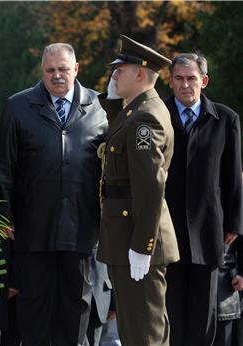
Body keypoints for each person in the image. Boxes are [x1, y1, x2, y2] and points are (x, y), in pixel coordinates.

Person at [0, 43, 108, 345]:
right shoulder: (18, 107)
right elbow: (3, 169)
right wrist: (3, 218)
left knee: (76, 309)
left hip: (81, 230)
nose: (57, 76)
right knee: (34, 312)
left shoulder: (101, 107)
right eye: (50, 70)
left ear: (76, 69)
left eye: (63, 70)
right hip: (33, 231)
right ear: (42, 71)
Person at [96, 35, 179, 346]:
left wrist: (142, 245)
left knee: (145, 333)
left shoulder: (146, 119)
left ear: (141, 74)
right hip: (127, 234)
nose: (114, 75)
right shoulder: (135, 111)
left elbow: (149, 186)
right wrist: (113, 97)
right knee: (135, 330)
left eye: (121, 70)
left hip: (138, 238)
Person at [162, 52, 243, 346]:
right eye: (179, 79)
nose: (185, 85)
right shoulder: (157, 116)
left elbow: (232, 177)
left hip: (208, 233)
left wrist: (234, 224)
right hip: (166, 233)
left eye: (191, 79)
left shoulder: (226, 119)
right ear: (170, 82)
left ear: (204, 81)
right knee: (171, 314)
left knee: (203, 317)